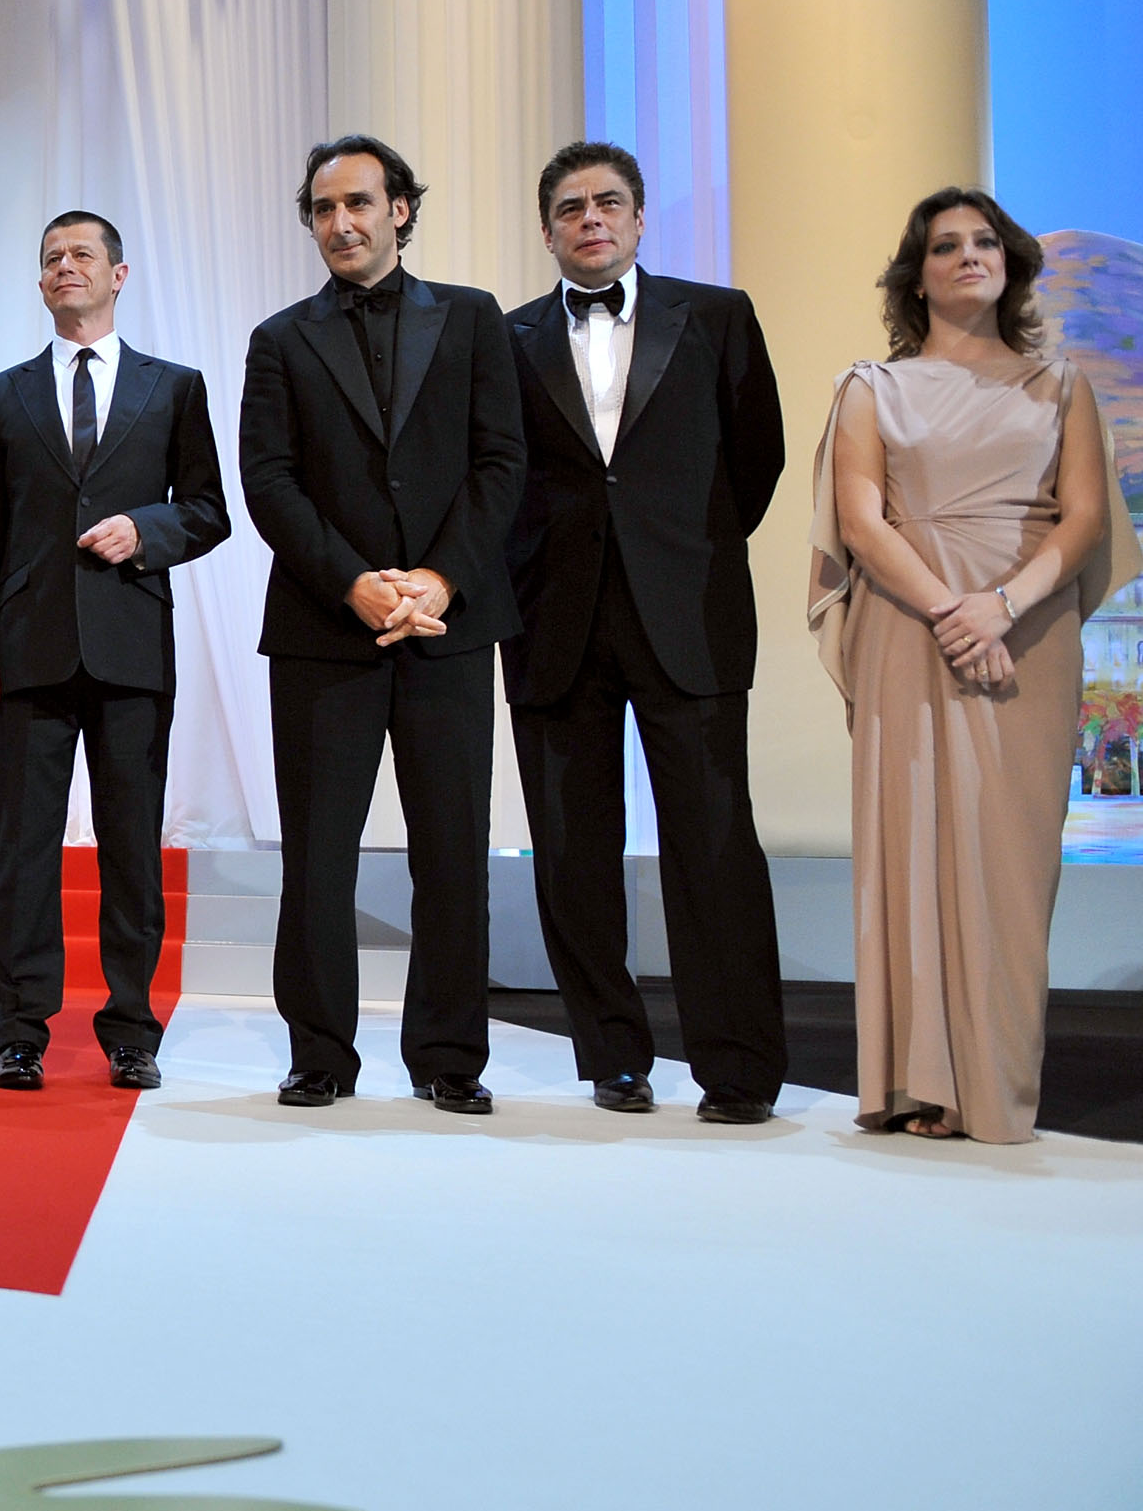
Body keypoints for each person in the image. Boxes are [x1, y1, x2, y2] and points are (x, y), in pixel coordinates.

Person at [810, 187, 1138, 1143]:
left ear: (1010, 264)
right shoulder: (870, 387)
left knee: (1012, 862)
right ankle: (920, 1082)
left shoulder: (1061, 385)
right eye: (946, 245)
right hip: (906, 626)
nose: (968, 256)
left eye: (985, 242)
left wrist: (1003, 605)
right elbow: (862, 520)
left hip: (1028, 630)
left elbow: (1084, 518)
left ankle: (992, 1087)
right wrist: (953, 610)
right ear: (916, 277)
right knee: (909, 844)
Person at [504, 142, 789, 1124]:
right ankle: (613, 1057)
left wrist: (682, 553)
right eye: (570, 207)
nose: (590, 218)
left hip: (689, 614)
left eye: (608, 202)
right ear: (548, 230)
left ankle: (738, 1067)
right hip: (553, 621)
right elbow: (496, 475)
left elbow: (756, 458)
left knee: (713, 845)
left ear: (636, 218)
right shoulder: (505, 337)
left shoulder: (716, 316)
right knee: (572, 853)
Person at [240, 136, 525, 1112]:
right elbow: (269, 481)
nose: (340, 223)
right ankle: (319, 1053)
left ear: (400, 208)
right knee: (319, 856)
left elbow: (501, 462)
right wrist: (354, 583)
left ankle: (449, 1057)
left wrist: (441, 579)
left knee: (452, 849)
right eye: (323, 209)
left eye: (358, 202)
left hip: (450, 626)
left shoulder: (474, 318)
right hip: (324, 630)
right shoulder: (280, 338)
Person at [0, 212, 230, 1092]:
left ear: (119, 274)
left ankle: (132, 1030)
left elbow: (208, 511)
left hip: (131, 649)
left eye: (81, 254)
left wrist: (145, 530)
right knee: (24, 850)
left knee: (132, 850)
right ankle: (18, 1032)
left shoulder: (173, 387)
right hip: (27, 650)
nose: (64, 267)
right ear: (40, 283)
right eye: (50, 258)